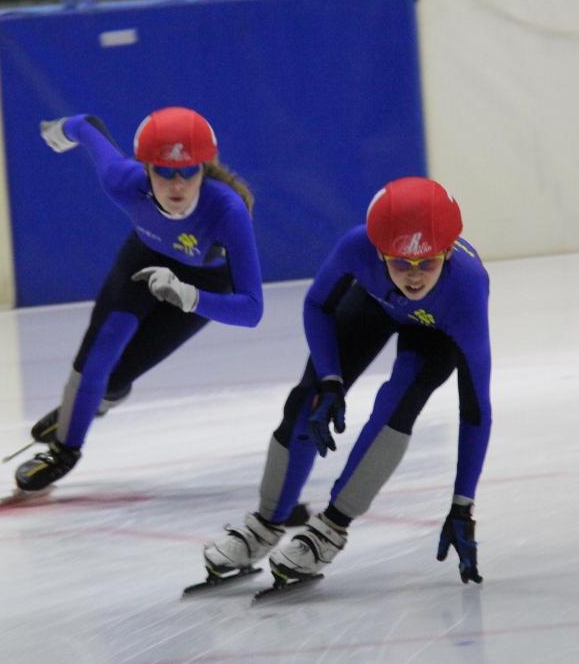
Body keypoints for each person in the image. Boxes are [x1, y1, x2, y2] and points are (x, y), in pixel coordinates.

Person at [202, 176, 491, 586]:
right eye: (398, 262)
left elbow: (476, 408)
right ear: (377, 251)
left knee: (396, 405)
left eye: (427, 263)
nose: (413, 277)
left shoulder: (466, 287)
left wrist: (463, 505)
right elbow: (317, 304)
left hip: (435, 333)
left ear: (447, 252)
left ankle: (331, 528)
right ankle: (266, 522)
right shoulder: (357, 246)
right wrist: (331, 381)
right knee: (308, 400)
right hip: (374, 305)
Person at [12, 107, 263, 492]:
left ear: (204, 168)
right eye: (163, 171)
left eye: (189, 171)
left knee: (116, 378)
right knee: (98, 357)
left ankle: (94, 401)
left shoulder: (228, 210)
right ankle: (64, 450)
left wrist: (190, 296)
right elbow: (87, 126)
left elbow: (251, 309)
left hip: (202, 283)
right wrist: (59, 129)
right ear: (146, 168)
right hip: (144, 257)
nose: (176, 185)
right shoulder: (122, 181)